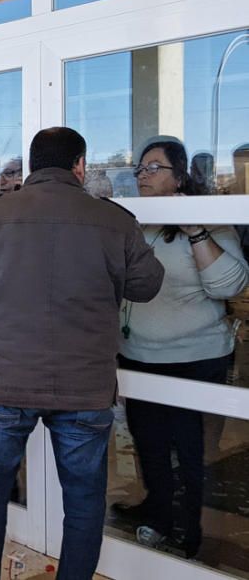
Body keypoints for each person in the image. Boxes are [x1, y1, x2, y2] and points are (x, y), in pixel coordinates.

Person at [0, 127, 165, 580]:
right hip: (85, 388)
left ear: (32, 166)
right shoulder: (114, 220)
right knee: (83, 500)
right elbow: (148, 285)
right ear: (79, 165)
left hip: (3, 381)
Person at [113, 138, 249, 558]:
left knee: (190, 450)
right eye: (140, 168)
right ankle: (155, 512)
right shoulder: (133, 222)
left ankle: (189, 528)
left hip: (196, 358)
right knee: (148, 443)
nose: (143, 175)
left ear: (180, 177)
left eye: (154, 168)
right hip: (138, 357)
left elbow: (230, 285)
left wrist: (195, 229)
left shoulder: (208, 221)